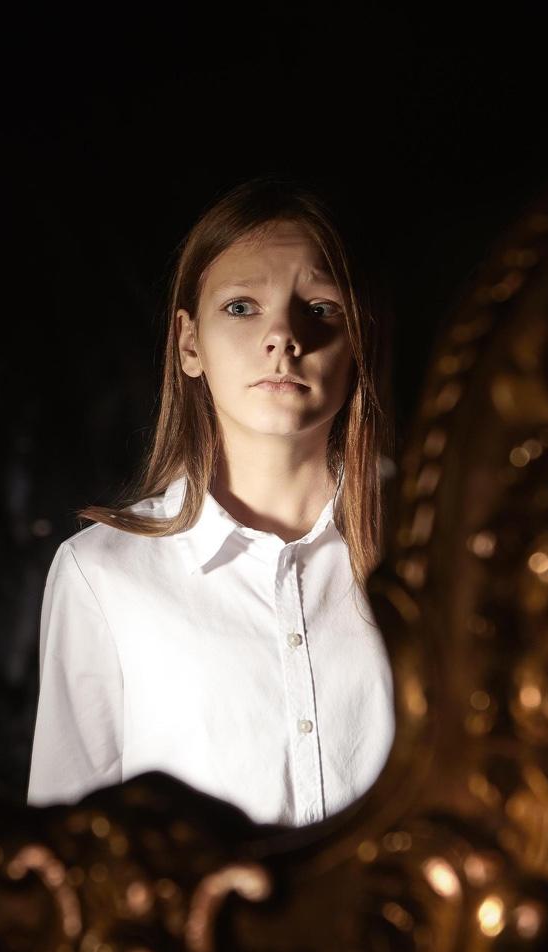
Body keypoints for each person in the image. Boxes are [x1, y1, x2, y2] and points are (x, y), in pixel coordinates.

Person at [26, 177, 395, 828]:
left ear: (359, 338)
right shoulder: (103, 574)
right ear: (189, 344)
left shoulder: (429, 550)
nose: (283, 336)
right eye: (242, 307)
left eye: (320, 307)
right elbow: (68, 846)